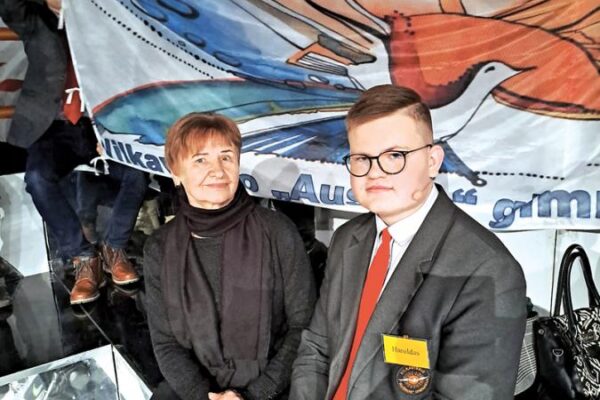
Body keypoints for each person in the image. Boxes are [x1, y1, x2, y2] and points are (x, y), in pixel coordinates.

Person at [290, 85, 527, 400]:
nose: (375, 172)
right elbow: (316, 349)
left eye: (394, 156)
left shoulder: (488, 270)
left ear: (433, 161)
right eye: (362, 158)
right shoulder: (348, 239)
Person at [143, 113, 317, 400]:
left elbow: (304, 327)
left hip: (272, 388)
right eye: (200, 160)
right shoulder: (159, 247)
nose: (218, 171)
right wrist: (202, 395)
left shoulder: (277, 230)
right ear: (175, 171)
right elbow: (165, 342)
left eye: (226, 157)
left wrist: (255, 394)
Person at [0, 0, 146, 305]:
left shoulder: (107, 18)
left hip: (102, 123)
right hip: (53, 127)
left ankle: (115, 248)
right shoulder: (35, 18)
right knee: (37, 178)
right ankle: (83, 258)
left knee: (136, 172)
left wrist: (112, 128)